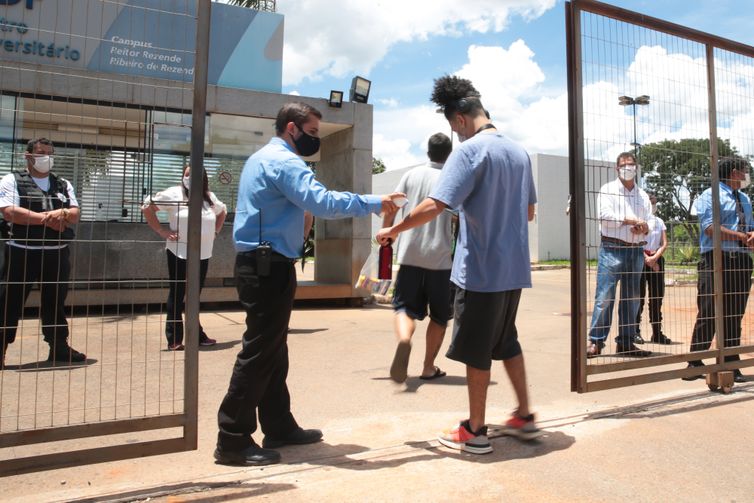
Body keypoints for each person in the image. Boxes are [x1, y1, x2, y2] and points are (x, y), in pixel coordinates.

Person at [214, 102, 404, 466]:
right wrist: (373, 202)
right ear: (291, 128)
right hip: (266, 266)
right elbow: (321, 202)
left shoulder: (261, 158)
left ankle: (279, 425)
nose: (315, 139)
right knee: (258, 353)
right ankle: (232, 439)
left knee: (273, 350)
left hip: (265, 263)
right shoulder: (284, 162)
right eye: (312, 132)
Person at [377, 75, 540, 455]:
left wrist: (395, 229)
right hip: (513, 269)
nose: (457, 135)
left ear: (462, 119)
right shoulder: (519, 152)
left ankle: (475, 431)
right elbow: (529, 212)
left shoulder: (468, 153)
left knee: (476, 350)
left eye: (455, 128)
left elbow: (437, 204)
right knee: (506, 340)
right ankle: (524, 415)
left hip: (480, 270)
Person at [0, 138, 86, 368]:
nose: (46, 157)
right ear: (28, 156)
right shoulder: (12, 180)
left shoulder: (62, 183)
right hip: (22, 251)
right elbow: (10, 212)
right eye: (40, 153)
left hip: (56, 254)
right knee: (10, 300)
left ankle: (58, 346)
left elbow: (75, 212)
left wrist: (64, 214)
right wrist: (48, 219)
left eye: (49, 153)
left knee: (55, 301)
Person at [383, 132, 454, 383]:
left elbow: (392, 206)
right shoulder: (451, 177)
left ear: (427, 152)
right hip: (441, 260)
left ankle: (404, 339)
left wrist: (388, 233)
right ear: (450, 153)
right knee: (439, 316)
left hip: (409, 254)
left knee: (405, 309)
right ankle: (428, 366)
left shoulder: (410, 175)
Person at [683, 158, 752, 383]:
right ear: (734, 173)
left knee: (734, 313)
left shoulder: (744, 198)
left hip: (741, 260)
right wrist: (741, 236)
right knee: (709, 310)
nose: (746, 175)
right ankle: (696, 360)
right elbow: (711, 228)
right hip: (715, 258)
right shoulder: (710, 195)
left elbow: (749, 227)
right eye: (744, 171)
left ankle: (731, 362)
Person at [142, 166, 227, 350]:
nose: (190, 178)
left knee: (193, 296)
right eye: (187, 174)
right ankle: (174, 338)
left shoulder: (209, 197)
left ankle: (196, 335)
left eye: (194, 174)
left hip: (203, 253)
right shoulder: (174, 194)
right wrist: (161, 231)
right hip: (178, 251)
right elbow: (147, 207)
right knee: (178, 293)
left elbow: (223, 212)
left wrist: (215, 231)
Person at [586, 152, 653, 358]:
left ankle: (626, 342)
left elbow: (651, 220)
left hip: (636, 251)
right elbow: (604, 217)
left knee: (632, 299)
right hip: (612, 249)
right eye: (624, 165)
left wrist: (644, 228)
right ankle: (595, 341)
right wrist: (631, 221)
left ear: (636, 167)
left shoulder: (642, 195)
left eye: (631, 165)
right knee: (605, 297)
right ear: (617, 168)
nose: (628, 168)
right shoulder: (608, 190)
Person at [635, 193, 672, 345]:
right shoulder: (639, 221)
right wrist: (647, 259)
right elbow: (635, 241)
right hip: (640, 259)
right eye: (651, 202)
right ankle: (634, 331)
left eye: (655, 202)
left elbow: (664, 243)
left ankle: (657, 333)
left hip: (656, 260)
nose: (653, 205)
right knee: (639, 298)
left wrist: (655, 258)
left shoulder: (659, 221)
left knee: (656, 298)